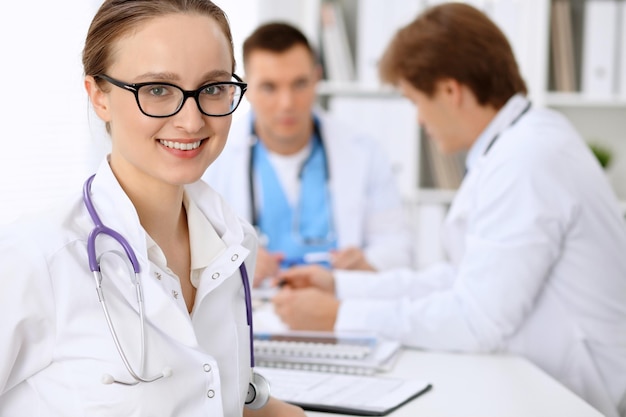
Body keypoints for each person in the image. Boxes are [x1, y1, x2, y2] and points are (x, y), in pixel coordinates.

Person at [272, 4, 626, 417]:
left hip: (582, 394)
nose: (420, 119)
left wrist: (340, 316)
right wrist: (341, 287)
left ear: (450, 91)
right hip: (548, 378)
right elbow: (461, 281)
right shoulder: (516, 146)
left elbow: (476, 322)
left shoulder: (527, 160)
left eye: (416, 100)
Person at [0, 1, 305, 416]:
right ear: (99, 97)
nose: (192, 120)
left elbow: (206, 395)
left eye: (213, 87)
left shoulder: (234, 245)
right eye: (158, 90)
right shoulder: (34, 259)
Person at [202, 22, 413, 286]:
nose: (287, 103)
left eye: (300, 84)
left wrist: (368, 265)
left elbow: (397, 247)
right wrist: (233, 265)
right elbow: (191, 254)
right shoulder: (212, 157)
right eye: (269, 87)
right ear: (246, 88)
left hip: (336, 315)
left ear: (317, 79)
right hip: (254, 320)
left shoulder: (364, 152)